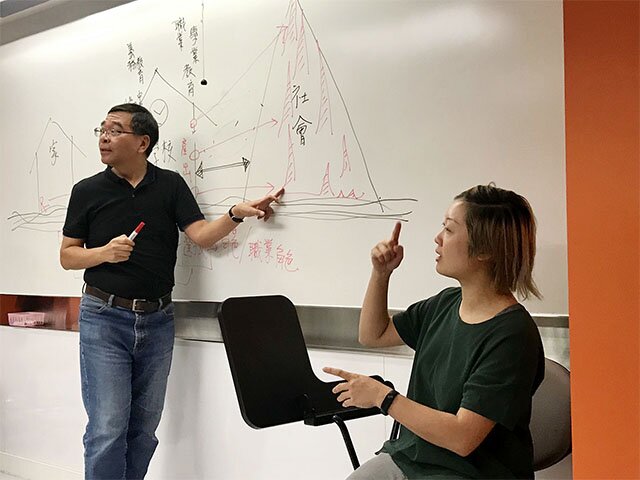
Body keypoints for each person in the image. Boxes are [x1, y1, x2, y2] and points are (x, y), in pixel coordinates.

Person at [60, 103, 284, 480]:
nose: (104, 137)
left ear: (142, 142)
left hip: (157, 320)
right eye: (102, 129)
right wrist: (104, 253)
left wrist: (236, 214)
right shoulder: (87, 191)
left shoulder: (169, 185)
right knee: (107, 429)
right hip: (104, 317)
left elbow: (201, 235)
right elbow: (67, 256)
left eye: (115, 130)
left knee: (144, 431)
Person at [324, 184, 545, 479]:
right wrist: (381, 274)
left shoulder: (512, 334)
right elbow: (373, 335)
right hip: (412, 458)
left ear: (485, 250)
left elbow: (462, 438)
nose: (438, 239)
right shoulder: (445, 303)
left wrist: (384, 397)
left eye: (450, 230)